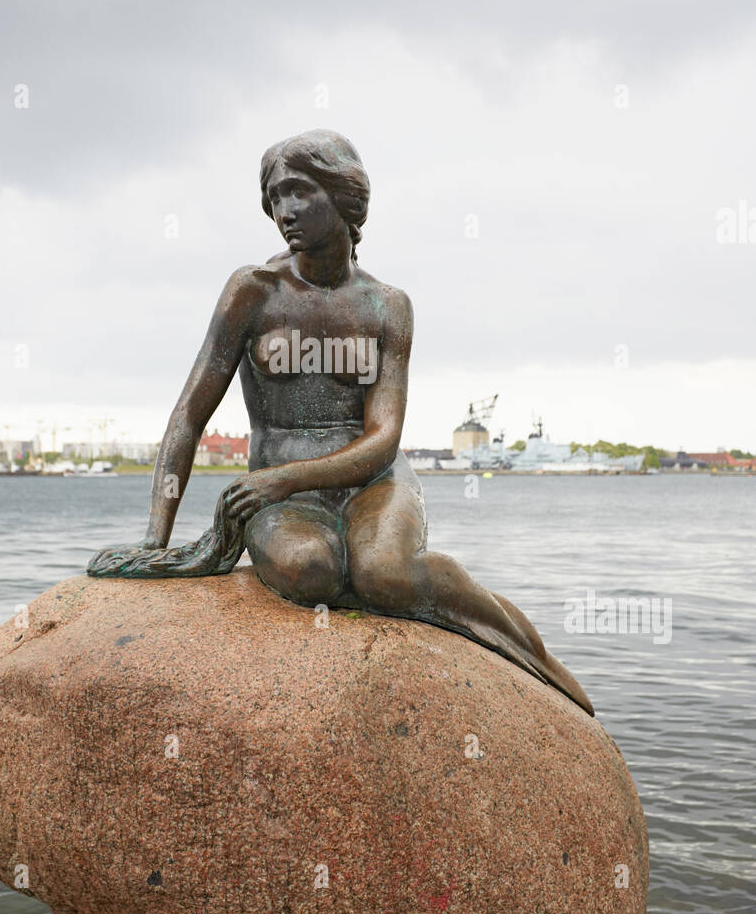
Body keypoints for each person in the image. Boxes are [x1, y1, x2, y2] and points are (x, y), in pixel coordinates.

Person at [88, 129, 593, 715]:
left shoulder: (388, 306)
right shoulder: (254, 292)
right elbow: (188, 417)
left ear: (345, 195)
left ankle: (526, 648)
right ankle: (412, 585)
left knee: (385, 573)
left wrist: (280, 481)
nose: (285, 212)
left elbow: (383, 440)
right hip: (280, 492)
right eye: (275, 198)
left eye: (300, 192)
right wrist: (157, 540)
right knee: (310, 571)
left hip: (372, 482)